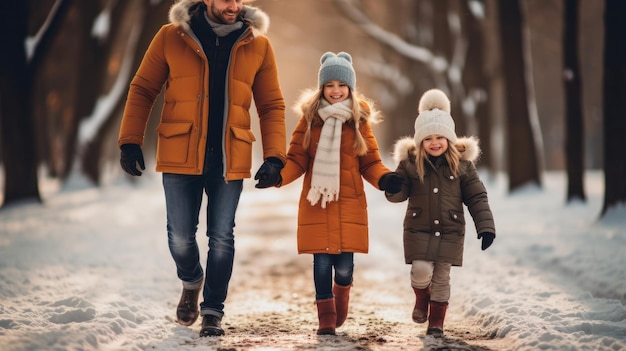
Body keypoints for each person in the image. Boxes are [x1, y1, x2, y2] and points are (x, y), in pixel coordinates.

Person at [117, 0, 286, 337]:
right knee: (180, 237)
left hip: (229, 156)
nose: (234, 5)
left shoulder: (258, 44)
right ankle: (192, 281)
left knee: (222, 237)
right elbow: (143, 88)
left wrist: (275, 157)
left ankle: (212, 312)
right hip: (181, 151)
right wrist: (130, 140)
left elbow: (270, 105)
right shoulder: (171, 36)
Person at [276, 52, 404, 335]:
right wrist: (278, 175)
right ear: (321, 88)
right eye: (329, 85)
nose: (335, 90)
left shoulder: (358, 122)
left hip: (349, 204)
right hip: (317, 203)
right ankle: (326, 318)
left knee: (344, 268)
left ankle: (341, 294)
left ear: (350, 89)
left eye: (341, 85)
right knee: (321, 264)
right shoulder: (310, 121)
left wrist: (385, 179)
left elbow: (370, 162)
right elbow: (297, 159)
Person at [385, 89, 496, 338]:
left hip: (450, 229)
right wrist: (392, 187)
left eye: (440, 137)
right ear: (419, 141)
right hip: (418, 228)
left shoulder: (463, 166)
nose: (434, 142)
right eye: (428, 138)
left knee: (442, 278)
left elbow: (477, 197)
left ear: (450, 138)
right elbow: (399, 193)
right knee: (421, 272)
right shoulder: (411, 164)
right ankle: (421, 297)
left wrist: (485, 226)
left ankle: (436, 322)